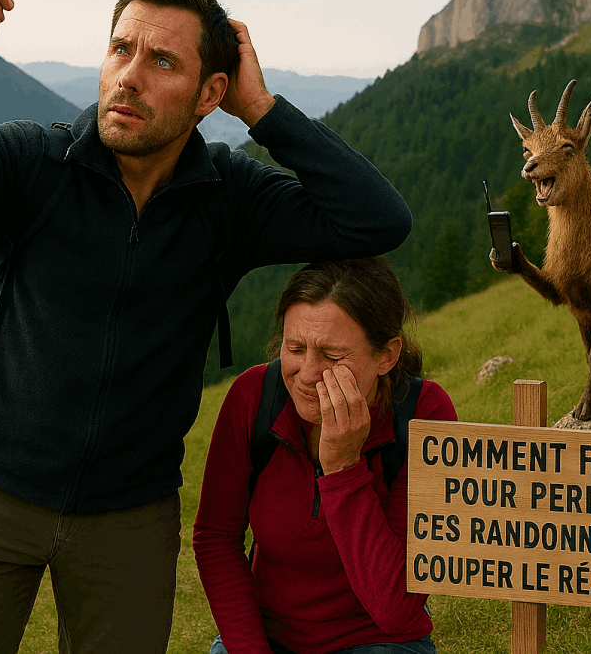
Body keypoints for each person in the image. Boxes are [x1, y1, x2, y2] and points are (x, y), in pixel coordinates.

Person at [0, 0, 412, 654]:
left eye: (163, 63)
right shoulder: (32, 163)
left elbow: (377, 220)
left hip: (129, 513)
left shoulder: (227, 199)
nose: (129, 76)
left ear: (211, 94)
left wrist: (263, 111)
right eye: (121, 49)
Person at [194, 257, 457, 654]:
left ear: (387, 355)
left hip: (375, 640)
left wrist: (344, 470)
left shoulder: (424, 413)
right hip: (267, 637)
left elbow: (397, 609)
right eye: (295, 348)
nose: (306, 372)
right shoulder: (254, 398)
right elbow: (216, 539)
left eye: (332, 356)